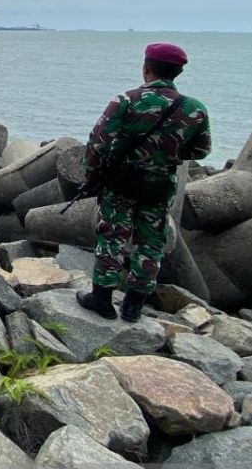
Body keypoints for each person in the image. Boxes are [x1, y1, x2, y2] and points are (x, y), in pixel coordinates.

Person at [77, 42, 211, 322]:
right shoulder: (194, 109)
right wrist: (167, 154)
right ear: (178, 73)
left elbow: (98, 142)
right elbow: (200, 151)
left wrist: (91, 176)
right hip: (160, 185)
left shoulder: (126, 100)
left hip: (121, 181)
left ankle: (101, 298)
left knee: (113, 235)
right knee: (150, 242)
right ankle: (134, 305)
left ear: (146, 68)